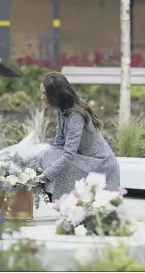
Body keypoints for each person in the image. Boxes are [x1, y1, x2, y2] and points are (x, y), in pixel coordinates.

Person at [35, 71, 120, 202]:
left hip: (100, 164)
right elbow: (58, 144)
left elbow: (68, 155)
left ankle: (66, 201)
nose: (41, 97)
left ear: (56, 94)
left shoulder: (75, 116)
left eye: (45, 93)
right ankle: (59, 198)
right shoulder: (61, 110)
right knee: (46, 155)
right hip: (83, 158)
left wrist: (45, 176)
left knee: (58, 162)